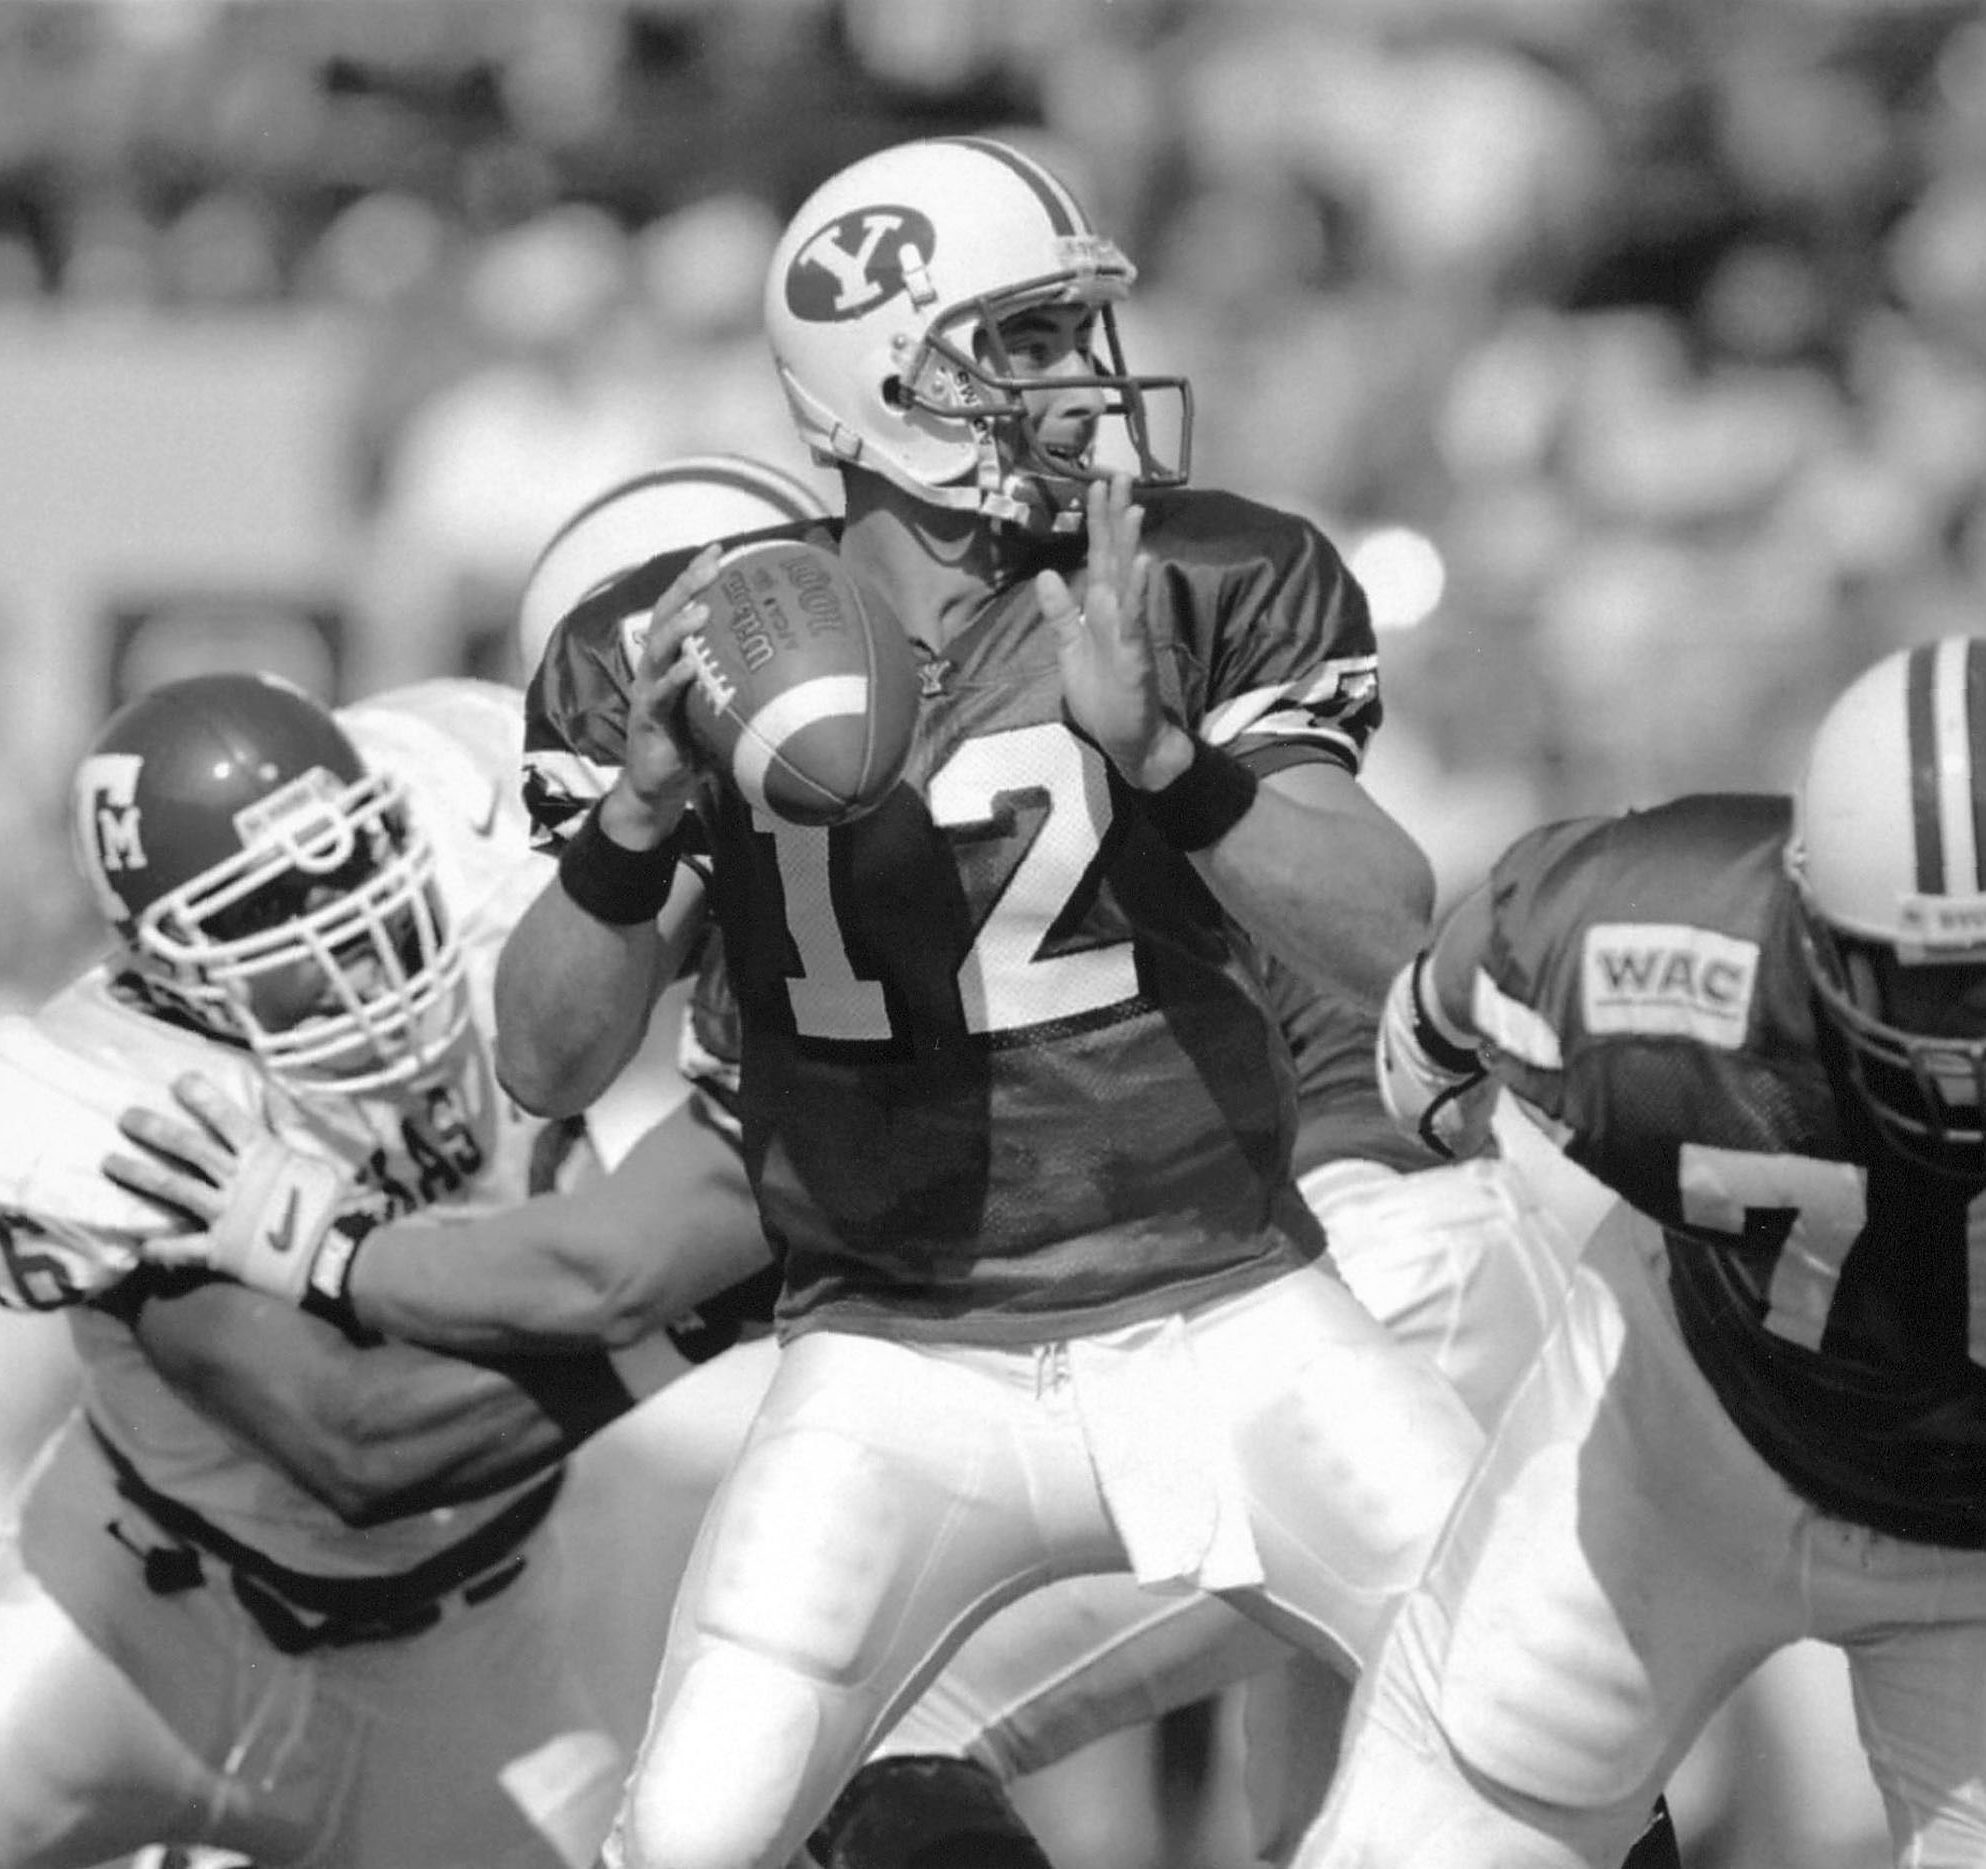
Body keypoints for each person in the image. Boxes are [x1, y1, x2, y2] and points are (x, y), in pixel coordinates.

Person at [494, 135, 1479, 1869]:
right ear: (889, 379)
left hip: (1231, 1302)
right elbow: (546, 1051)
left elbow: (1384, 930)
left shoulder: (1183, 580)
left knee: (1543, 1721)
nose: (1078, 383)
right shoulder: (684, 645)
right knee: (692, 1832)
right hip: (896, 1351)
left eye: (1069, 335)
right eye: (1019, 345)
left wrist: (1169, 757)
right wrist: (641, 816)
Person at [1309, 635, 1986, 1868]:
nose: (1979, 1049)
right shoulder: (1644, 936)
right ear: (1807, 917)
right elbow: (1437, 1032)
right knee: (1455, 1826)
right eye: (1920, 983)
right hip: (1696, 1434)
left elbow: (1431, 1042)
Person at [0, 669, 746, 1869]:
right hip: (127, 1631)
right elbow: (358, 1447)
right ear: (167, 972)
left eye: (352, 866)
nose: (347, 933)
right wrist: (705, 1303)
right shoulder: (115, 1107)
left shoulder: (480, 860)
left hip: (471, 1666)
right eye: (272, 910)